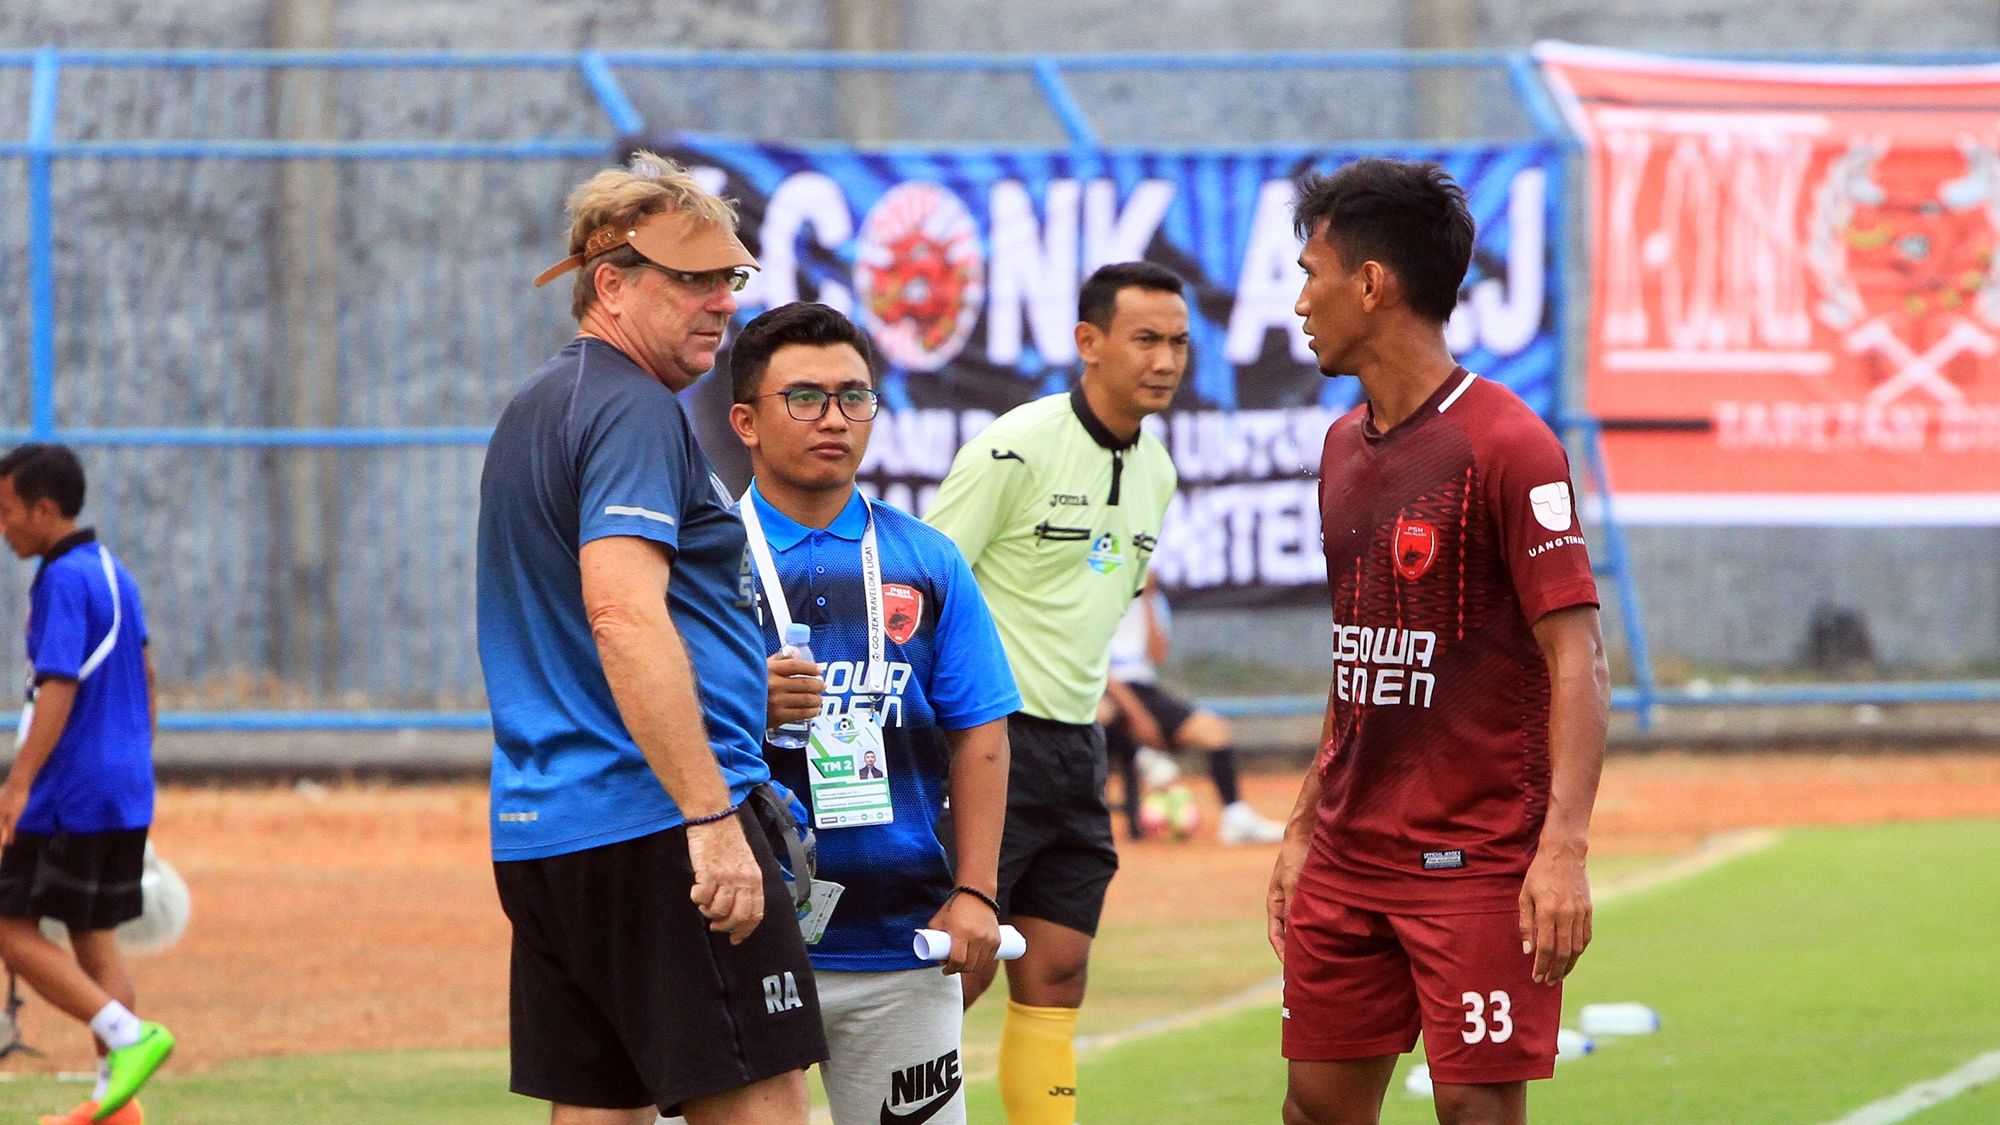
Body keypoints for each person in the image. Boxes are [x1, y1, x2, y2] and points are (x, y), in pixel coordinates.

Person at [476, 152, 825, 1125]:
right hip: (656, 823)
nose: (721, 302)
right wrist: (711, 819)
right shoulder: (629, 408)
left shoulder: (540, 407)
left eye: (729, 278)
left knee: (599, 1107)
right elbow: (620, 614)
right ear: (612, 284)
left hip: (548, 830)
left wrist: (735, 688)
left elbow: (579, 633)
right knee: (764, 1105)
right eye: (692, 280)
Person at [1265, 159, 1608, 1125]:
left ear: (1370, 284)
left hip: (1476, 859)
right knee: (1315, 1109)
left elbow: (1578, 659)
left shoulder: (1509, 445)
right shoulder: (1340, 447)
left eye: (1311, 272)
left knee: (1476, 1113)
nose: (1300, 302)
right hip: (1345, 855)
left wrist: (1564, 851)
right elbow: (1359, 656)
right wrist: (1302, 826)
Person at [727, 301, 1018, 1125]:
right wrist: (748, 700)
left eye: (855, 397)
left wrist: (977, 892)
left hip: (902, 939)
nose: (836, 419)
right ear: (745, 419)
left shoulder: (927, 558)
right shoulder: (707, 558)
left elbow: (983, 736)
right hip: (738, 936)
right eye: (807, 397)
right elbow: (648, 717)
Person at [925, 261, 1185, 1124]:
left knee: (1059, 972)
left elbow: (1100, 603)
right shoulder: (1015, 446)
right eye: (1146, 338)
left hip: (1079, 748)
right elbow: (922, 589)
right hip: (986, 741)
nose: (1166, 359)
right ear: (1088, 342)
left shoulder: (1160, 471)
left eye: (1179, 341)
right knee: (955, 976)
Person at [0, 444, 174, 1125]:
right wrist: (130, 760)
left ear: (45, 508)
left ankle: (133, 1037)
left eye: (8, 511)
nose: (3, 525)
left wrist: (18, 785)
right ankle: (116, 1107)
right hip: (122, 785)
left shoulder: (62, 580)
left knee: (8, 924)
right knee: (94, 939)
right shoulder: (114, 572)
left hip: (69, 793)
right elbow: (149, 676)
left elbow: (58, 687)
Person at [1101, 574, 1286, 845]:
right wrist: (1139, 717)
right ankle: (1147, 760)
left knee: (1215, 731)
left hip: (1143, 687)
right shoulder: (1094, 593)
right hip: (1102, 688)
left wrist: (1149, 599)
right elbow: (1096, 669)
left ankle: (1235, 817)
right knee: (1101, 712)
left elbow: (1157, 655)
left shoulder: (1152, 599)